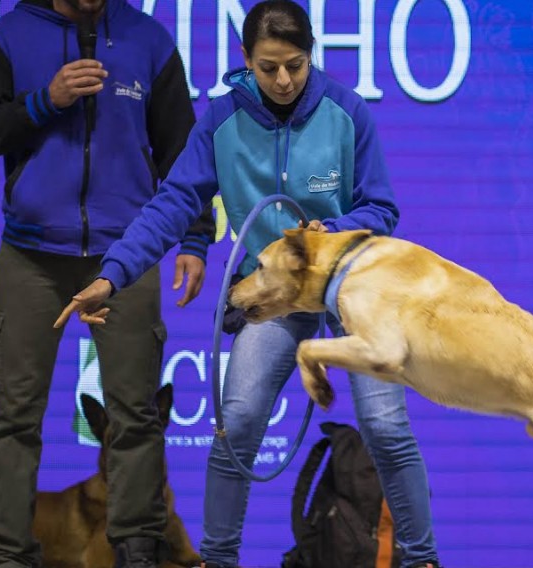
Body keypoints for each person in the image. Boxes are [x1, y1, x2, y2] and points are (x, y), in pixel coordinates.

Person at [54, 2, 443, 567]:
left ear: (311, 55)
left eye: (296, 65)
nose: (283, 80)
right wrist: (111, 276)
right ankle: (217, 559)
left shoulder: (346, 111)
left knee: (385, 425)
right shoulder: (221, 120)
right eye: (268, 67)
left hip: (355, 293)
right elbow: (173, 205)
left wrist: (326, 234)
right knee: (234, 425)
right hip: (273, 298)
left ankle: (420, 558)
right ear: (245, 61)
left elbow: (380, 208)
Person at [0, 0, 215, 566]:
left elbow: (185, 156)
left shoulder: (149, 40)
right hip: (31, 256)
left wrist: (195, 240)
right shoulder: (11, 37)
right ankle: (8, 553)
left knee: (136, 414)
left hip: (128, 251)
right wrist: (43, 101)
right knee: (15, 415)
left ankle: (137, 550)